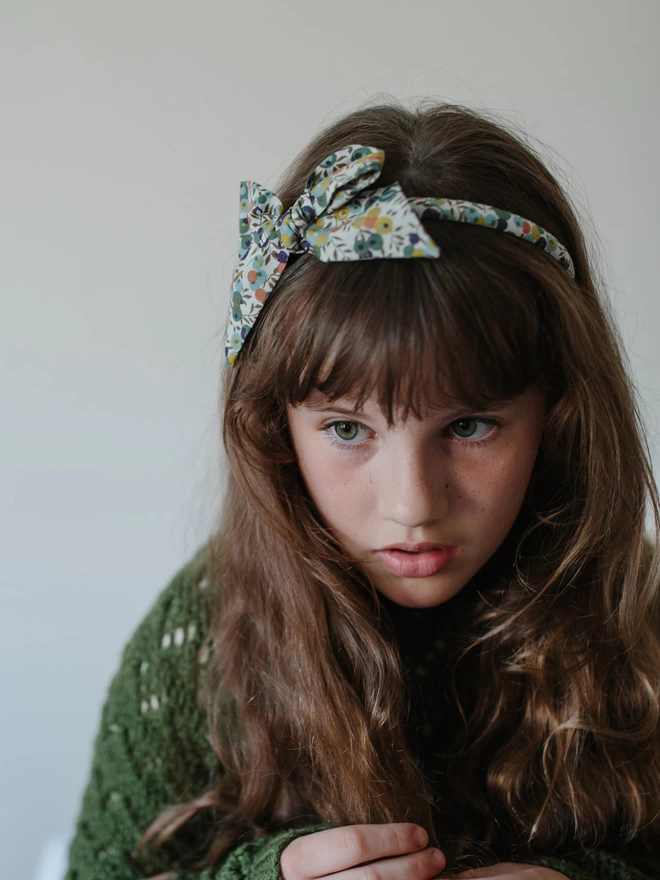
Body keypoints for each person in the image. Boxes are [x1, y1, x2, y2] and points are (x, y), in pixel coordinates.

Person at [64, 98, 660, 880]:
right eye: (348, 430)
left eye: (471, 426)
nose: (412, 505)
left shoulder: (637, 618)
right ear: (275, 430)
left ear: (561, 413)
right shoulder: (204, 641)